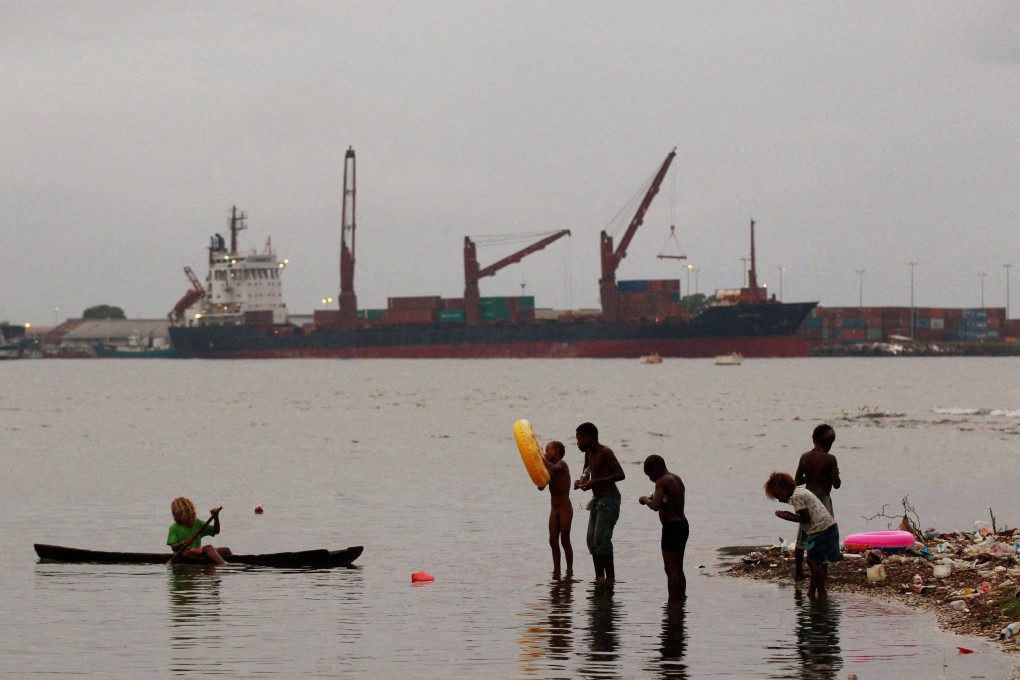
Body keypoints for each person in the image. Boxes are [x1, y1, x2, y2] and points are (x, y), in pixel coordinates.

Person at [764, 471, 841, 600]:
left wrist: (788, 517)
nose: (779, 500)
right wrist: (789, 515)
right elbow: (804, 516)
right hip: (828, 527)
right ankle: (812, 592)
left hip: (820, 530)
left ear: (784, 488)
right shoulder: (800, 492)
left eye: (778, 495)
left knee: (812, 562)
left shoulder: (796, 496)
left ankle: (821, 592)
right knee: (816, 561)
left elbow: (804, 518)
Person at [573, 422, 625, 581]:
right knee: (592, 540)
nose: (578, 444)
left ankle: (610, 578)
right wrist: (580, 483)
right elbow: (586, 475)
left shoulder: (605, 452)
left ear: (589, 438)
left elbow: (620, 474)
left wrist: (597, 482)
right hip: (597, 500)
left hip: (609, 499)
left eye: (579, 439)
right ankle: (599, 577)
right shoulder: (588, 455)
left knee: (602, 539)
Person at [793, 424, 841, 581]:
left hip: (807, 498)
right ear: (829, 443)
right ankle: (822, 574)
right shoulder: (830, 459)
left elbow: (797, 480)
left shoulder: (805, 457)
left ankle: (799, 572)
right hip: (823, 501)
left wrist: (811, 476)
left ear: (813, 439)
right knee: (824, 535)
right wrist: (833, 473)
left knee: (803, 536)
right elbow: (836, 484)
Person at [638, 454, 687, 601]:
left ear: (656, 468)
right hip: (683, 525)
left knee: (670, 568)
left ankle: (672, 602)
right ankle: (681, 599)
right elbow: (669, 500)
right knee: (678, 567)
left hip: (671, 528)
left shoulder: (661, 481)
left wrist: (644, 499)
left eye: (650, 475)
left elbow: (655, 505)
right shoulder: (676, 478)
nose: (650, 479)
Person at [541, 440, 573, 576]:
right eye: (545, 450)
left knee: (564, 539)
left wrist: (540, 459)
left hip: (565, 507)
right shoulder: (549, 469)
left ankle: (569, 570)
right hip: (554, 509)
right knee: (553, 540)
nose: (546, 453)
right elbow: (541, 487)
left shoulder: (561, 465)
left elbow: (554, 468)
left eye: (548, 450)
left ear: (557, 452)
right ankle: (556, 570)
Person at [167, 497, 230, 565]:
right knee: (208, 548)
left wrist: (216, 517)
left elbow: (216, 531)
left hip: (196, 551)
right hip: (185, 554)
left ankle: (228, 562)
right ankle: (225, 565)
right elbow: (174, 547)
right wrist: (183, 543)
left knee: (225, 550)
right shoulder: (174, 528)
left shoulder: (197, 523)